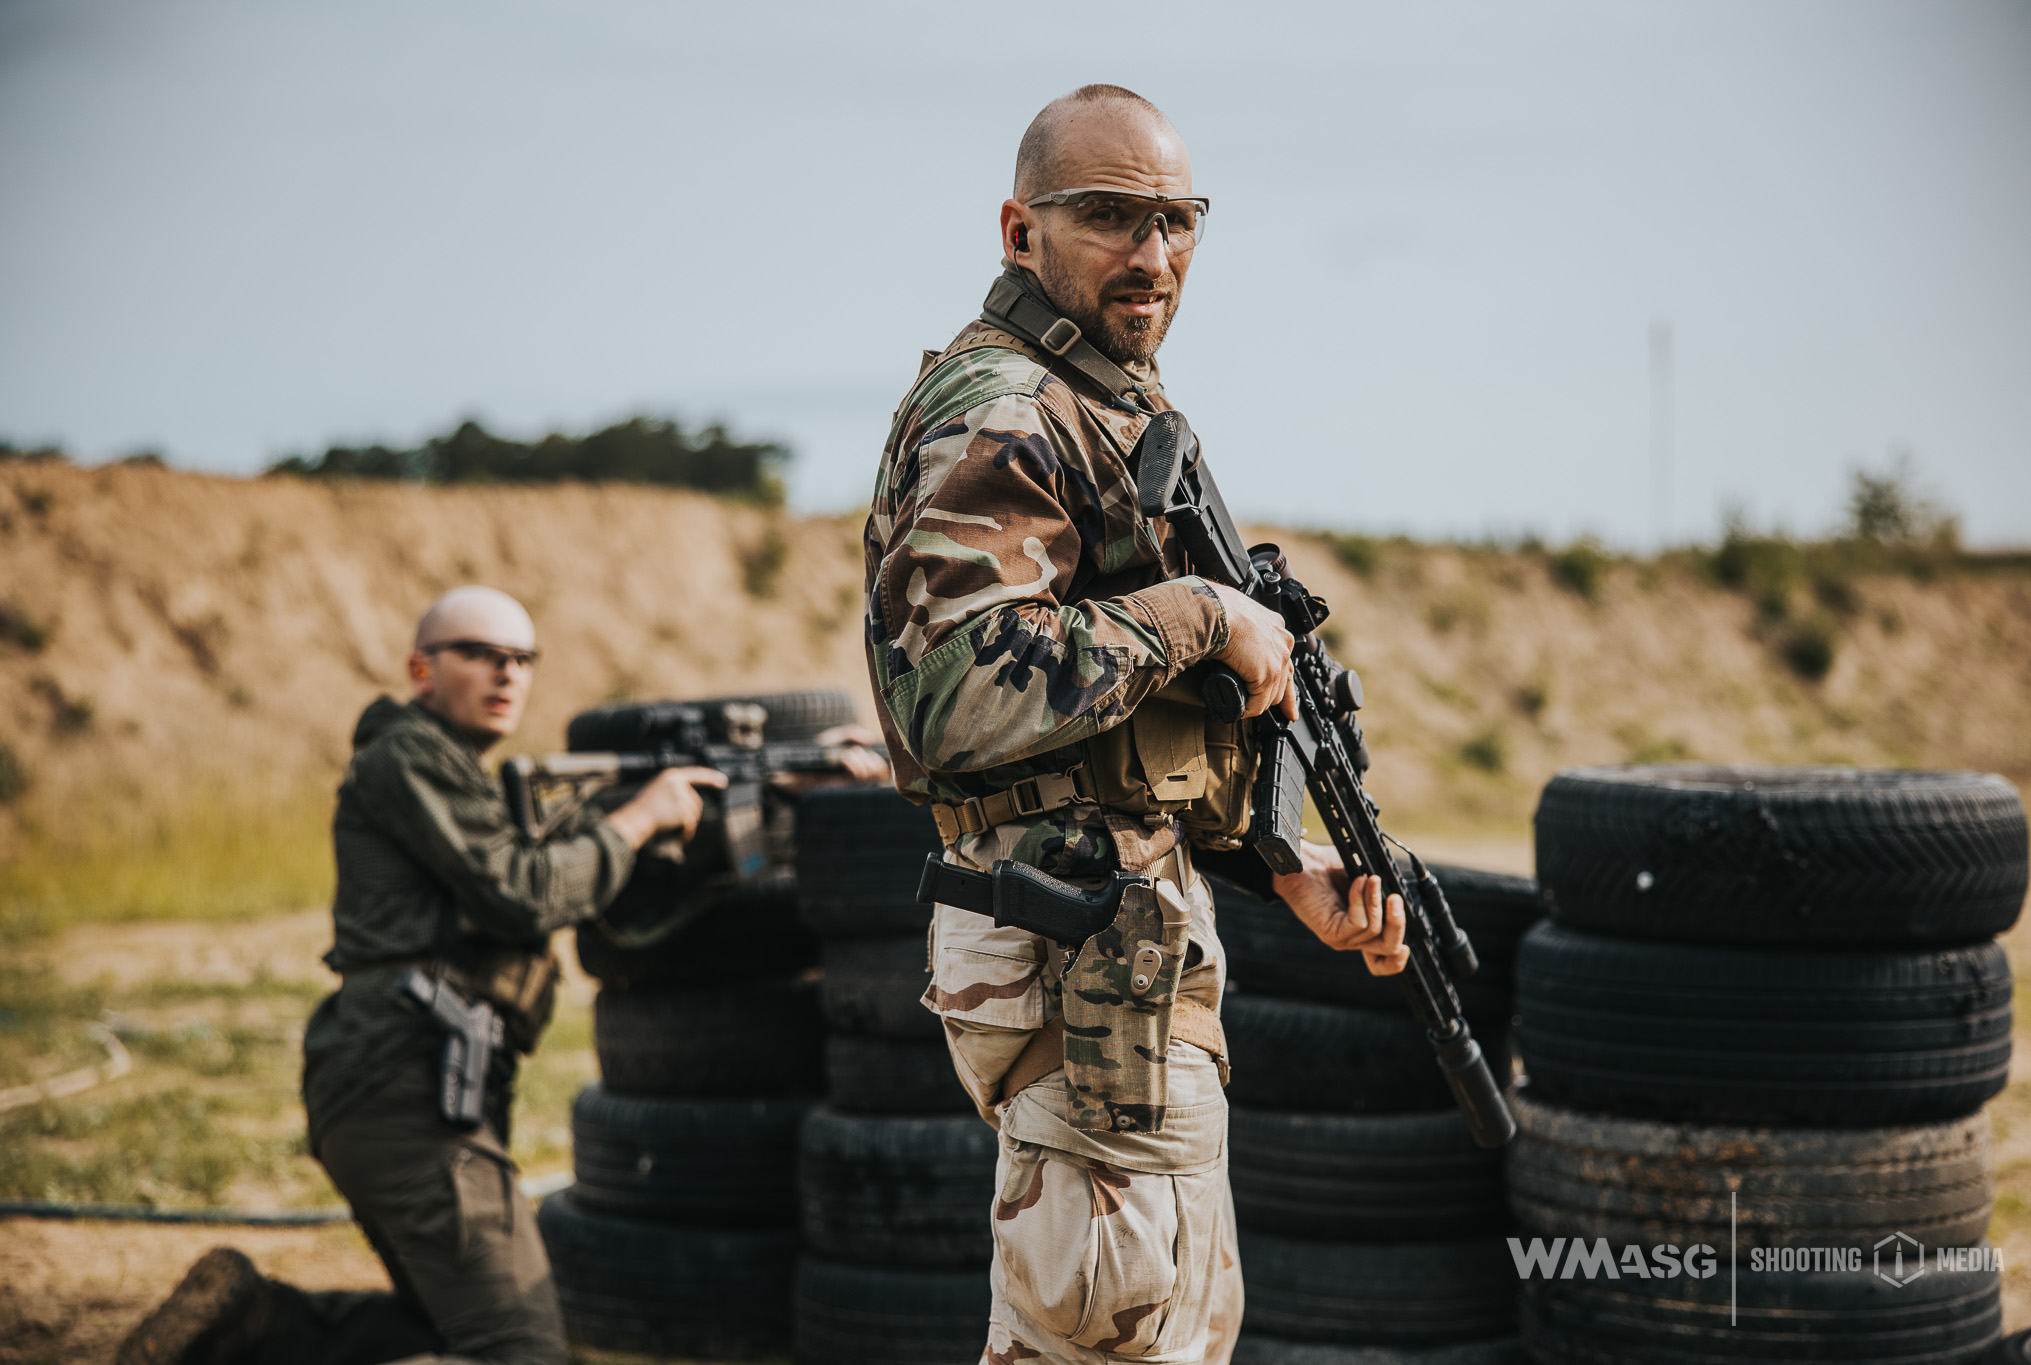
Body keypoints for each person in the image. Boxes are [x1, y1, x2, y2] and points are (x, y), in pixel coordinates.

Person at [863, 87, 1411, 1364]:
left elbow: (1106, 749)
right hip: (1072, 952)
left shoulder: (1098, 404)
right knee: (1109, 1339)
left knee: (1169, 1335)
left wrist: (1273, 862)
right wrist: (1200, 617)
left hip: (1127, 942)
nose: (1151, 255)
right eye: (1109, 216)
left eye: (1177, 221)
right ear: (1020, 231)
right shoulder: (1004, 405)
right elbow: (955, 696)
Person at [119, 586, 729, 1365]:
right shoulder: (409, 756)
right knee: (520, 1353)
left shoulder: (468, 781)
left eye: (522, 659)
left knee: (445, 1332)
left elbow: (561, 856)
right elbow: (524, 891)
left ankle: (258, 1327)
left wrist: (810, 777)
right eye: (479, 653)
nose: (506, 673)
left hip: (413, 1090)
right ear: (421, 669)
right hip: (407, 1093)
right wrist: (640, 817)